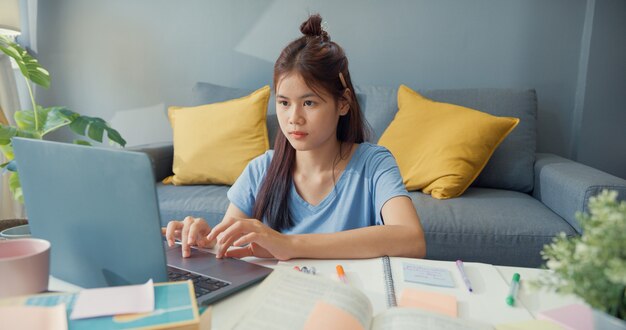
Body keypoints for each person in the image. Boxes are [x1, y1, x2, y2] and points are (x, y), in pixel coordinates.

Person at [164, 14, 426, 261]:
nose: (294, 118)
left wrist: (289, 245)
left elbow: (412, 239)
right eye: (284, 103)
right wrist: (203, 239)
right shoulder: (260, 171)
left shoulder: (373, 163)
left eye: (309, 103)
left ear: (343, 103)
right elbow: (229, 246)